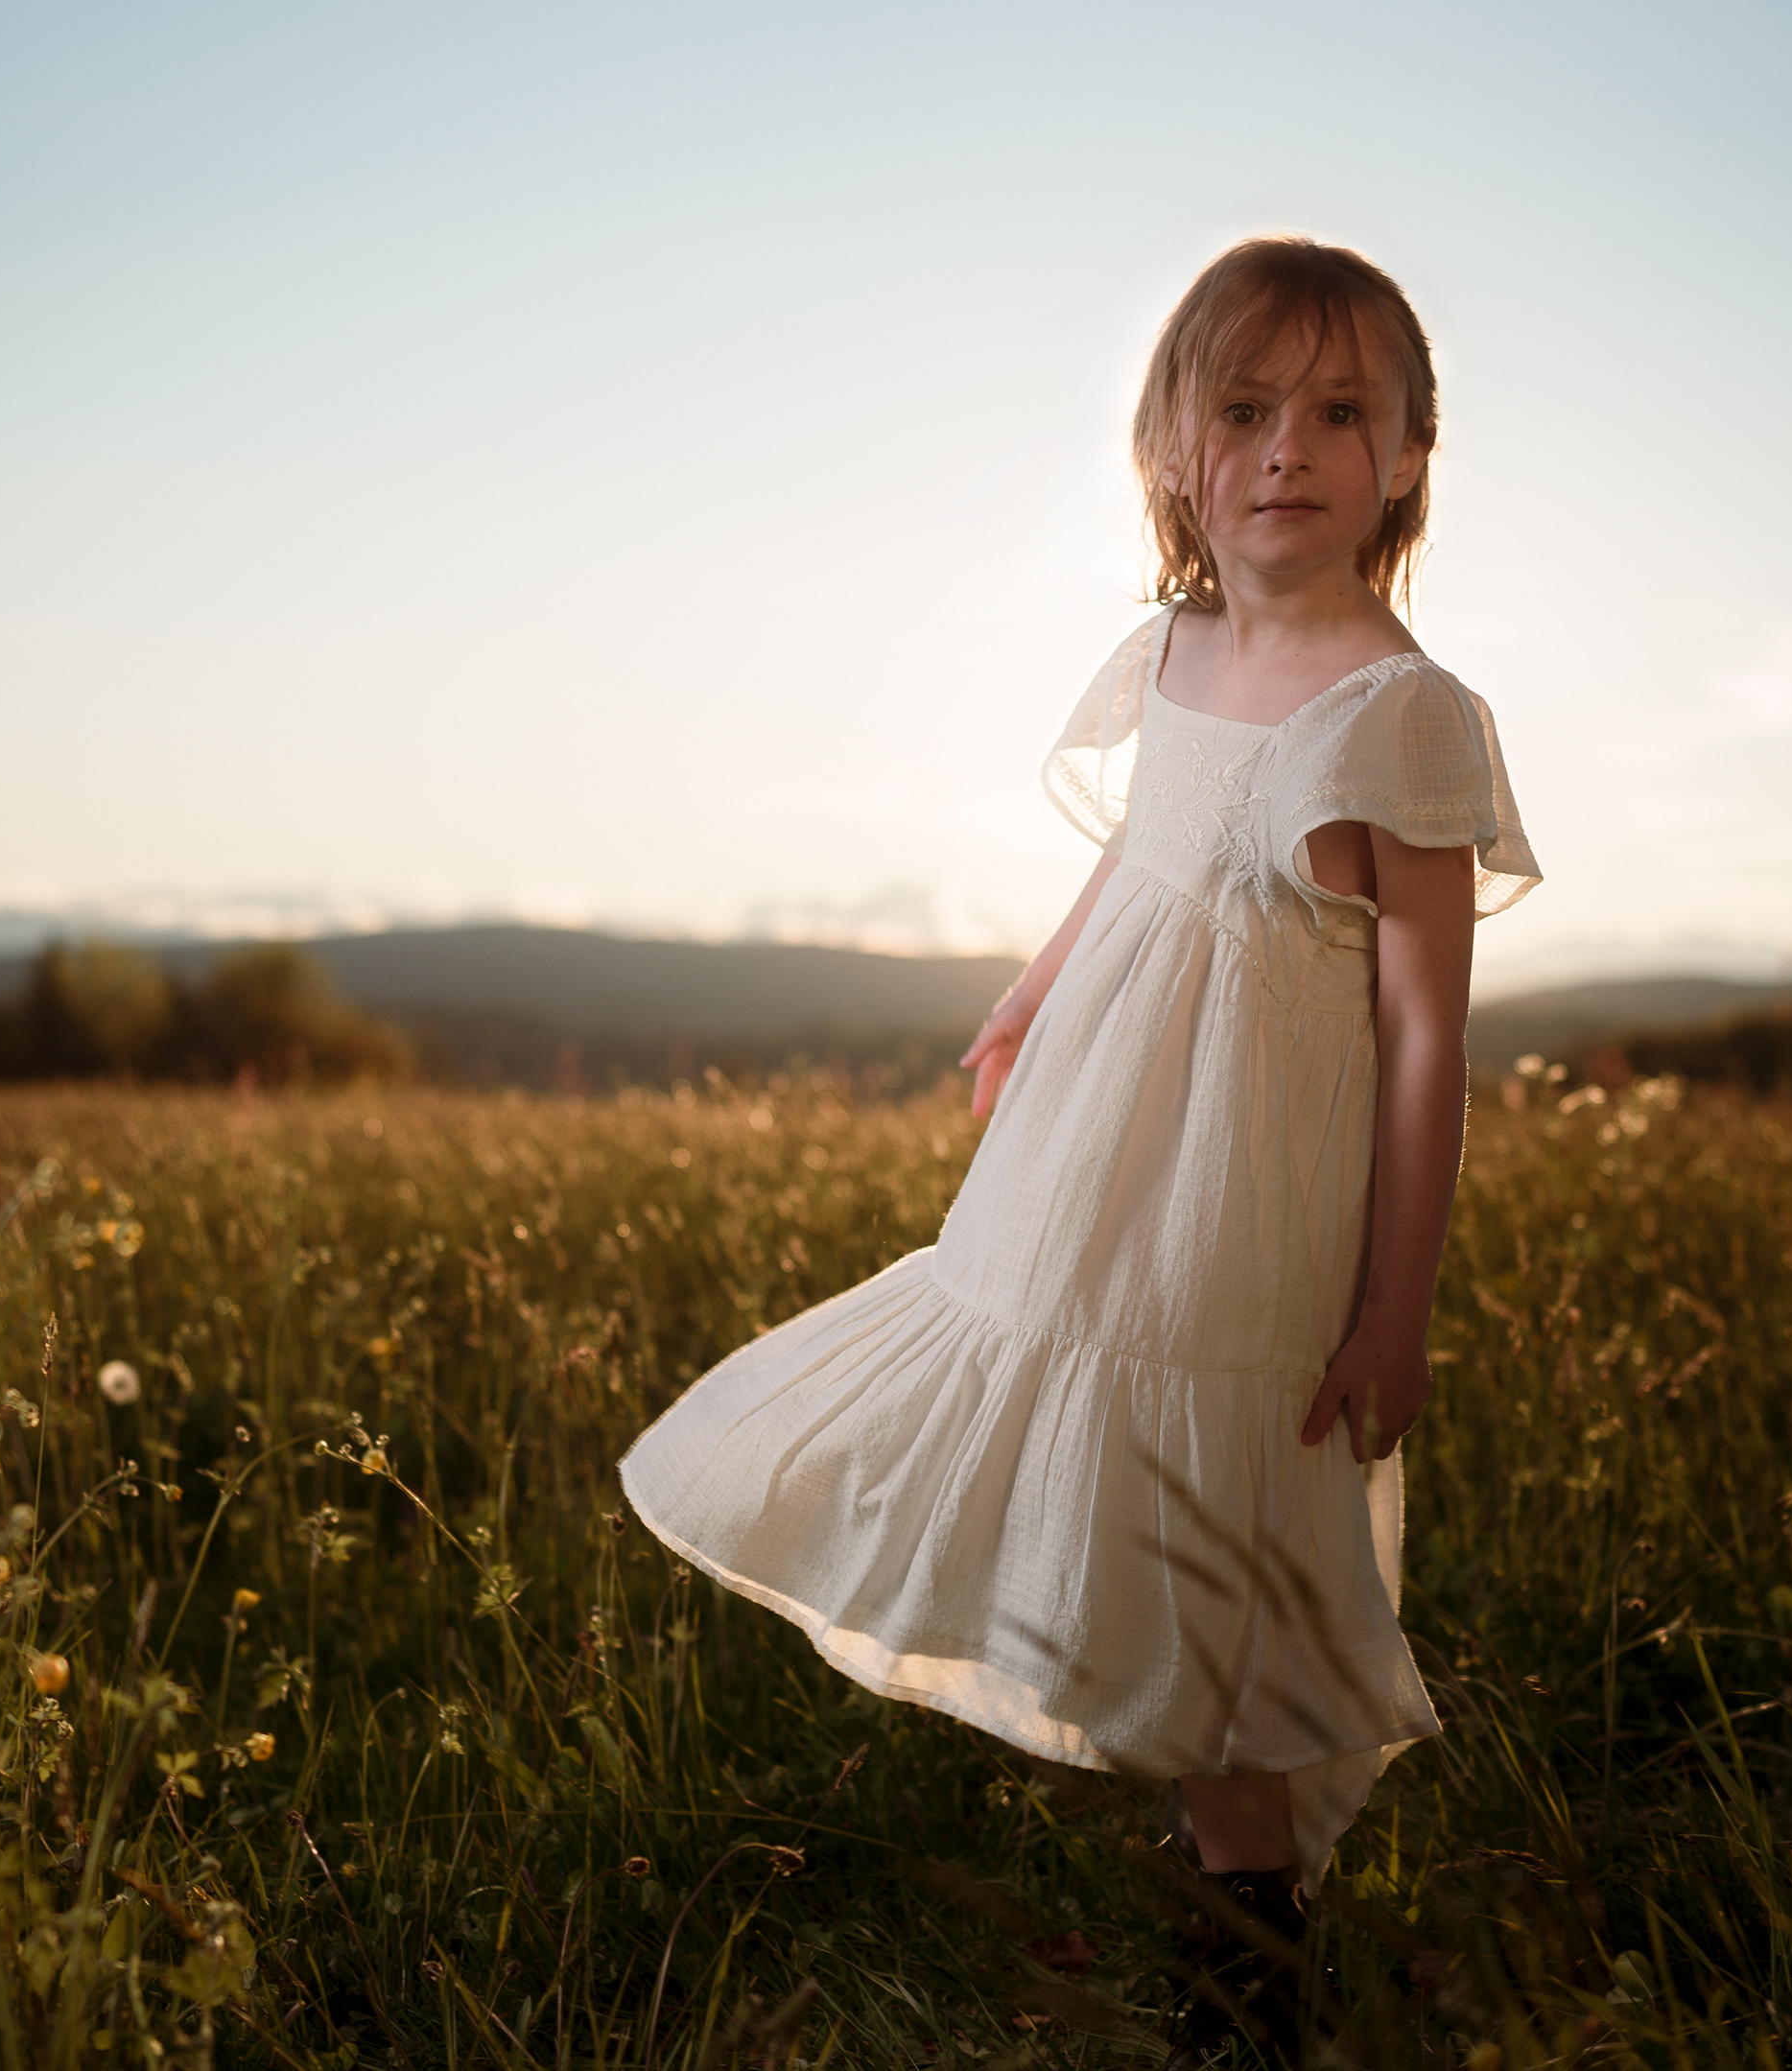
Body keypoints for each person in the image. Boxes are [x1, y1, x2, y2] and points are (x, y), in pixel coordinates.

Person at [618, 235, 1539, 2064]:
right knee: (1112, 1509)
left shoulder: (1407, 719)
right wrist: (1033, 992)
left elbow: (1429, 1032)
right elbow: (1139, 852)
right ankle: (1236, 1930)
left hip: (1242, 1202)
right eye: (1247, 409)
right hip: (1093, 1159)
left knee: (1225, 1567)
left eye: (1340, 413)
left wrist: (1396, 1308)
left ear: (1411, 455)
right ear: (1178, 450)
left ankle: (1245, 1975)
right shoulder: (1182, 649)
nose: (1290, 447)